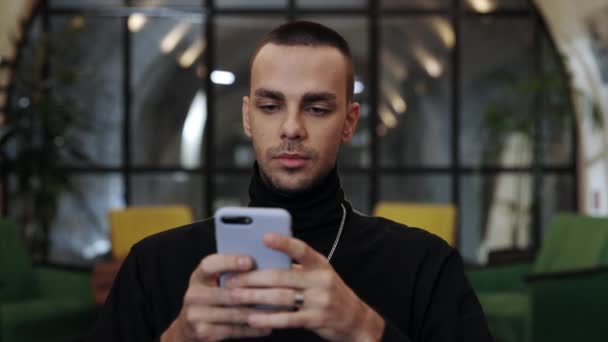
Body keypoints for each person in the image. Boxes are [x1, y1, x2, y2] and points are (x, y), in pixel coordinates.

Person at [90, 21, 492, 342]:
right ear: (248, 117)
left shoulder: (423, 265)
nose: (292, 128)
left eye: (316, 108)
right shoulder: (154, 266)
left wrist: (363, 329)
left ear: (348, 122)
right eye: (270, 106)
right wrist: (180, 338)